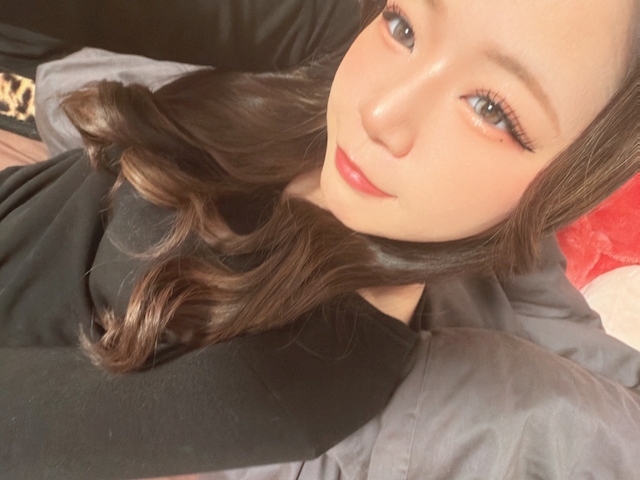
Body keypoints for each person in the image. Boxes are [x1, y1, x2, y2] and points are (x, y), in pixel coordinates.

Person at [0, 0, 637, 478]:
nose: (380, 111)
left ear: (566, 185)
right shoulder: (333, 54)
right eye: (404, 25)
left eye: (491, 110)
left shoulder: (295, 380)